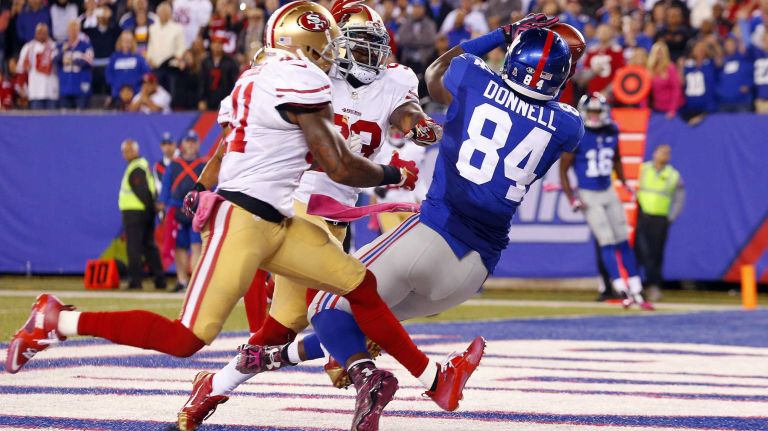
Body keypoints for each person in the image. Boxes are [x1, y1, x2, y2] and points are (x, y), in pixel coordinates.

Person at [6, 9, 478, 424]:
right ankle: (58, 321)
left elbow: (233, 140)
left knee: (355, 287)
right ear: (306, 47)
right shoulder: (303, 79)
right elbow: (337, 164)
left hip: (282, 223)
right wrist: (393, 172)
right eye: (327, 46)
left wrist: (200, 186)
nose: (334, 56)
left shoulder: (259, 78)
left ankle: (433, 379)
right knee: (187, 338)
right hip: (249, 220)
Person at [176, 13, 571, 431]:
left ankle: (217, 385)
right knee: (344, 311)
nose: (366, 54)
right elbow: (252, 134)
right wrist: (208, 183)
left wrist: (416, 126)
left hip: (338, 215)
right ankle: (411, 378)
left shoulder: (395, 79)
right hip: (298, 202)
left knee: (297, 324)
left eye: (373, 44)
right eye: (354, 43)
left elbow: (408, 108)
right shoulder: (303, 76)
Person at [559, 93, 653, 310]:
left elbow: (617, 158)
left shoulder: (612, 130)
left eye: (597, 112)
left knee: (622, 240)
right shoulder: (578, 134)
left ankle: (637, 286)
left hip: (608, 190)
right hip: (588, 193)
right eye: (590, 112)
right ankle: (620, 287)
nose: (593, 116)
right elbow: (563, 170)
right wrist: (572, 197)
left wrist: (624, 181)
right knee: (606, 240)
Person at [635, 144, 684, 302]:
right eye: (662, 152)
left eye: (667, 153)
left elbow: (679, 197)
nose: (664, 155)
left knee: (656, 254)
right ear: (654, 153)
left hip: (660, 218)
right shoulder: (642, 169)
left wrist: (671, 217)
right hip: (641, 216)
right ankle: (634, 285)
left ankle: (654, 286)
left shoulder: (673, 174)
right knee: (639, 251)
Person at [117, 139, 166, 290]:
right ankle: (160, 280)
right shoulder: (141, 166)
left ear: (136, 151)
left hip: (135, 213)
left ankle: (135, 281)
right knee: (148, 246)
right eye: (125, 151)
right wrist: (151, 209)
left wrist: (150, 208)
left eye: (130, 150)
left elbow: (143, 192)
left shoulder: (136, 168)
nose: (127, 153)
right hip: (143, 212)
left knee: (134, 247)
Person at [160, 130, 206, 292]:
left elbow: (211, 188)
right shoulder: (173, 166)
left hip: (197, 211)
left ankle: (195, 283)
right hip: (177, 210)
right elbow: (165, 188)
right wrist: (162, 207)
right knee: (179, 247)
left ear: (198, 144)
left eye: (194, 141)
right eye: (188, 141)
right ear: (183, 144)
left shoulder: (204, 164)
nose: (191, 144)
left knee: (196, 246)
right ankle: (182, 281)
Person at [147, 2, 185, 96]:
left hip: (171, 67)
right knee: (156, 94)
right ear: (157, 13)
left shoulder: (177, 28)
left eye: (166, 12)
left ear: (170, 13)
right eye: (162, 12)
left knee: (170, 93)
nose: (164, 14)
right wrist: (149, 58)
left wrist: (177, 58)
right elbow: (150, 46)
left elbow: (181, 47)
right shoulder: (152, 28)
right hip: (156, 66)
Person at [18, 23, 57, 109]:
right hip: (35, 91)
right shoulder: (28, 48)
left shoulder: (54, 47)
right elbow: (21, 69)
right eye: (40, 32)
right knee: (36, 121)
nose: (42, 34)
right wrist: (22, 88)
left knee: (53, 121)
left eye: (44, 32)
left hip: (51, 90)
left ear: (48, 33)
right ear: (35, 33)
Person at [55, 20, 93, 109]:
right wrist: (63, 51)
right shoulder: (61, 46)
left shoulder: (85, 45)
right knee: (65, 118)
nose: (72, 32)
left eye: (74, 30)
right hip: (65, 86)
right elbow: (55, 60)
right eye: (70, 30)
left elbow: (89, 61)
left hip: (80, 86)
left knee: (81, 117)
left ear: (78, 31)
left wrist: (73, 60)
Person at [84, 5, 121, 97]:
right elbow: (81, 29)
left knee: (109, 91)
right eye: (100, 13)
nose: (102, 17)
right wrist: (87, 16)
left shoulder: (112, 31)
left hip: (109, 66)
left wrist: (111, 16)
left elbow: (119, 30)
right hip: (95, 67)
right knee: (96, 92)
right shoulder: (91, 31)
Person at [106, 31, 151, 106]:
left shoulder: (138, 57)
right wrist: (118, 87)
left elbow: (147, 72)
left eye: (129, 41)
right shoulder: (114, 57)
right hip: (118, 94)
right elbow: (108, 74)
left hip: (136, 94)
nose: (126, 44)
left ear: (132, 43)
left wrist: (142, 78)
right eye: (124, 41)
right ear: (120, 42)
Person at [197, 35, 237, 111]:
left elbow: (233, 82)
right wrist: (201, 99)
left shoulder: (230, 62)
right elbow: (202, 82)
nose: (217, 46)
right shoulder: (206, 62)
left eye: (219, 44)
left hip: (225, 97)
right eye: (215, 43)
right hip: (209, 98)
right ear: (211, 45)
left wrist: (231, 99)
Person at [582, 24, 625, 95]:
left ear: (611, 34)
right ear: (597, 34)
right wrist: (593, 72)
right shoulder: (591, 51)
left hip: (610, 94)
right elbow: (584, 73)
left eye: (606, 31)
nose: (603, 34)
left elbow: (620, 74)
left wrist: (608, 91)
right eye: (601, 32)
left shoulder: (617, 51)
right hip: (592, 92)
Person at [647, 40, 682, 118]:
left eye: (661, 52)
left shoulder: (670, 68)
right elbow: (645, 91)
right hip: (657, 108)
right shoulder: (650, 69)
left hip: (671, 109)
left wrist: (672, 109)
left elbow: (676, 89)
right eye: (657, 52)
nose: (659, 55)